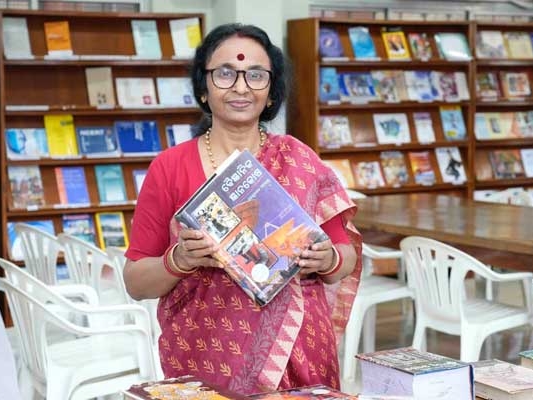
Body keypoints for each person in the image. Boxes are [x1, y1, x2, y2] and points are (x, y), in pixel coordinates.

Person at [123, 23, 362, 394]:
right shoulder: (170, 167)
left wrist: (327, 259)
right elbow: (136, 281)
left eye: (255, 75)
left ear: (270, 92)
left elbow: (344, 259)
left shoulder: (299, 160)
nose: (240, 87)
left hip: (300, 352)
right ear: (203, 88)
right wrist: (180, 260)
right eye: (225, 74)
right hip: (203, 355)